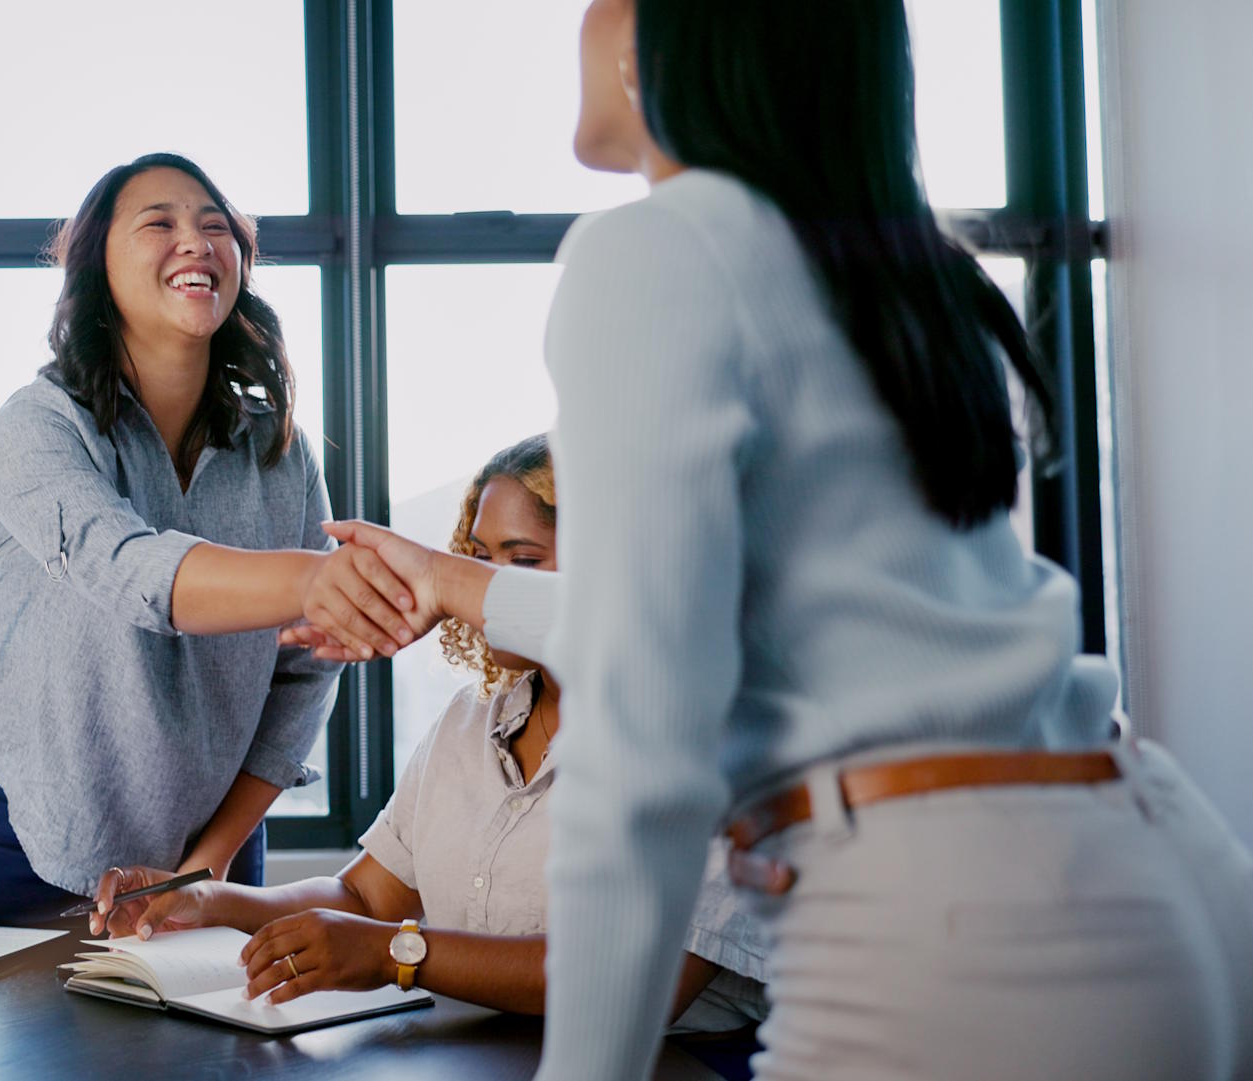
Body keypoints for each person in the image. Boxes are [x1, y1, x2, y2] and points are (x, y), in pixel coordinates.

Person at [292, 2, 1253, 1078]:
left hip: (953, 932)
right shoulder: (902, 274)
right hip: (1148, 860)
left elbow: (644, 722)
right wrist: (451, 581)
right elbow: (706, 621)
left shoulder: (658, 249)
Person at [93, 436, 768, 1035]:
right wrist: (208, 898)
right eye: (475, 558)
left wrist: (395, 952)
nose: (483, 590)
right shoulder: (469, 721)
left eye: (521, 561)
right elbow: (363, 898)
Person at [0, 153, 413, 925]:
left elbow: (304, 671)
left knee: (209, 1044)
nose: (196, 241)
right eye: (158, 224)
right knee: (34, 1041)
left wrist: (210, 860)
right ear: (96, 262)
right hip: (35, 818)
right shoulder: (35, 426)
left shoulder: (282, 450)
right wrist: (311, 580)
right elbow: (125, 568)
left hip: (213, 830)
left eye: (214, 226)